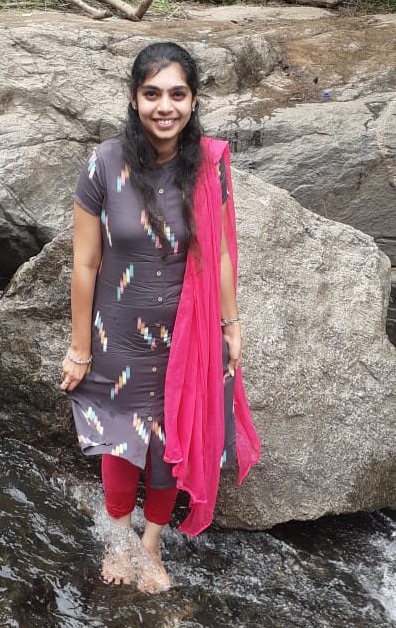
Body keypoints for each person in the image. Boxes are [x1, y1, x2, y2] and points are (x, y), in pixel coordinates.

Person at [61, 42, 260, 593]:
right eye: (152, 94)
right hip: (118, 336)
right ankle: (118, 537)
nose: (164, 106)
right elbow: (84, 263)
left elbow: (220, 253)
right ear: (134, 99)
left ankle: (150, 543)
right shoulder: (104, 164)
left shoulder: (210, 166)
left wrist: (230, 324)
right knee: (120, 438)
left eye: (177, 94)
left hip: (187, 337)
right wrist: (80, 348)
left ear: (193, 101)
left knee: (176, 436)